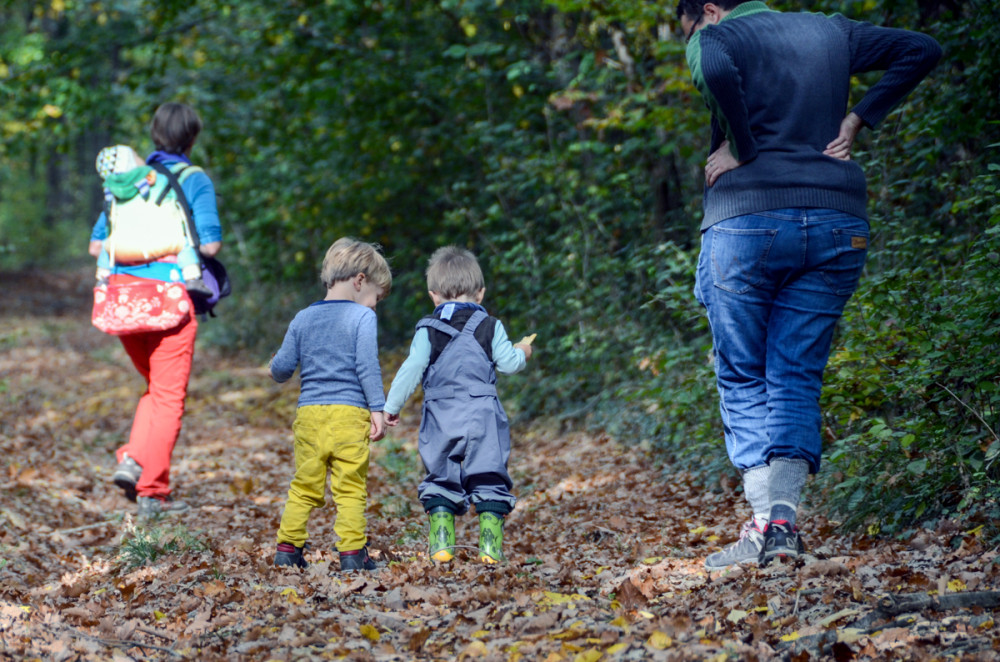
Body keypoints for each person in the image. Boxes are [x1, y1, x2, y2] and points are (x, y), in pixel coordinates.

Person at [675, 0, 941, 568]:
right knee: (795, 373)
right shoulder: (831, 31)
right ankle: (783, 527)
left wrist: (743, 147)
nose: (690, 43)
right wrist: (857, 119)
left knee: (743, 372)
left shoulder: (720, 37)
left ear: (710, 10)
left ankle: (758, 525)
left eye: (689, 29)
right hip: (835, 220)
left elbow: (716, 66)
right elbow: (921, 49)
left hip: (746, 221)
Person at [89, 102, 223, 518]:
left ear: (154, 135)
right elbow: (211, 245)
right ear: (193, 137)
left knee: (155, 390)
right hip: (168, 302)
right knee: (168, 398)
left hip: (124, 302)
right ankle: (153, 492)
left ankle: (132, 458)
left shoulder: (127, 181)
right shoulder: (193, 179)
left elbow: (97, 245)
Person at [384, 246, 533, 564]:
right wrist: (522, 351)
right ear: (480, 293)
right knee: (490, 473)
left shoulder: (427, 329)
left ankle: (441, 543)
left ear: (433, 295)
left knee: (440, 474)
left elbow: (411, 369)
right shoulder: (491, 326)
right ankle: (491, 547)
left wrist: (391, 406)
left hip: (440, 415)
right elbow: (507, 364)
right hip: (483, 414)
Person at [269, 238, 392, 571]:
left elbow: (281, 369)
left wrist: (273, 363)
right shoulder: (362, 318)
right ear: (360, 280)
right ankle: (353, 555)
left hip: (309, 415)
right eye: (376, 297)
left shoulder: (302, 318)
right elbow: (367, 365)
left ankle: (287, 550)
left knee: (304, 484)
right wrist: (377, 409)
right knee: (350, 488)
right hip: (350, 415)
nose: (375, 305)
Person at [93, 144, 211, 298]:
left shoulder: (111, 192)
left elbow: (104, 232)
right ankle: (193, 279)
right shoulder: (154, 178)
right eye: (136, 156)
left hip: (122, 250)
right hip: (161, 244)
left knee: (106, 246)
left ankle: (102, 278)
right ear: (131, 163)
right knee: (184, 245)